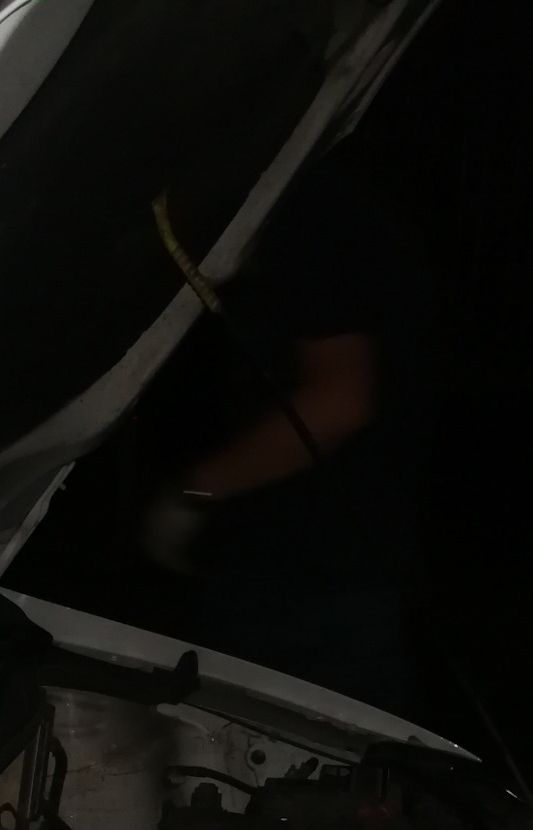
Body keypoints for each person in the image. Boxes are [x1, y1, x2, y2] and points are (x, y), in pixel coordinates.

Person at [142, 151, 435, 717]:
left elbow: (338, 401)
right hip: (316, 569)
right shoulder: (330, 200)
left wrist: (192, 493)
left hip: (315, 587)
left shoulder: (313, 211)